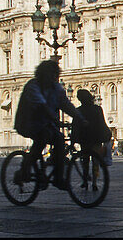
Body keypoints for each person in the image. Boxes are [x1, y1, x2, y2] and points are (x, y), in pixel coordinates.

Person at [13, 59, 84, 188]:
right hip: (28, 122)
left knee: (60, 139)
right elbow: (42, 105)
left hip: (45, 123)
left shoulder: (56, 88)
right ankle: (24, 169)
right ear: (43, 74)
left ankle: (58, 176)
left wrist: (80, 117)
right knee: (42, 140)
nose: (53, 77)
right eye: (51, 74)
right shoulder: (33, 86)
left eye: (55, 74)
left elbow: (65, 104)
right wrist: (54, 118)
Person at [72, 89, 112, 164]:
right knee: (96, 159)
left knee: (85, 159)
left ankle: (85, 173)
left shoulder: (79, 110)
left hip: (84, 138)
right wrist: (107, 134)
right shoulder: (97, 109)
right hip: (96, 137)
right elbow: (102, 123)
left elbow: (75, 126)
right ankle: (95, 174)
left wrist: (73, 140)